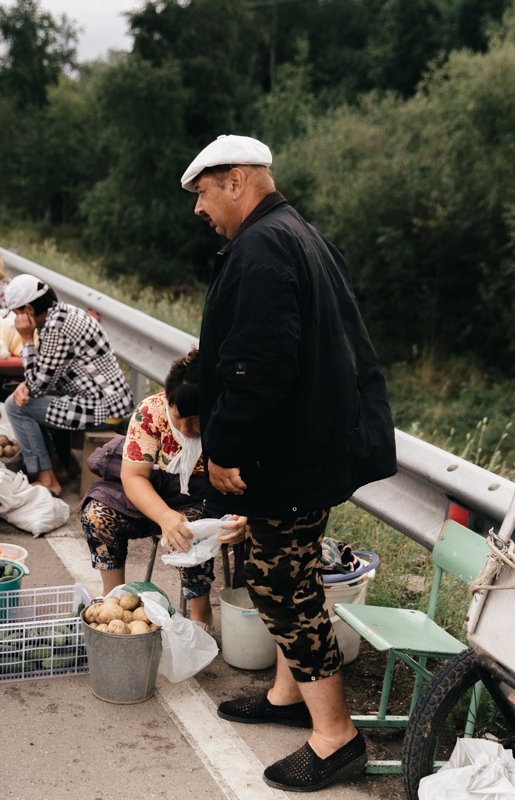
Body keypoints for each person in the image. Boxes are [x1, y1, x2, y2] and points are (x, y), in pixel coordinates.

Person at [180, 134, 396, 791]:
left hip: (291, 452)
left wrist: (222, 450)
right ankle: (286, 698)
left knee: (281, 585)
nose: (198, 208)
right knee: (288, 573)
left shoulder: (262, 247)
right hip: (315, 441)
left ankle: (335, 738)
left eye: (203, 192)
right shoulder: (297, 234)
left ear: (238, 180)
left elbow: (258, 366)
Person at [80, 349, 246, 627]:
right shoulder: (150, 413)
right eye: (178, 416)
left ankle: (200, 609)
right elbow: (134, 477)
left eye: (196, 419)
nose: (186, 427)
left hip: (202, 500)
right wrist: (164, 516)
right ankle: (113, 600)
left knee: (190, 530)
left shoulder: (231, 422)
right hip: (151, 494)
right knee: (97, 514)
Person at [3, 274, 134, 496]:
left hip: (103, 409)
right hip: (109, 401)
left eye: (17, 314)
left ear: (29, 309)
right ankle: (58, 468)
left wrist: (26, 340)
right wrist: (26, 385)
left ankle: (46, 478)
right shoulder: (62, 314)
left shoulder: (56, 328)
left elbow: (37, 386)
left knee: (16, 407)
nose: (17, 321)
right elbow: (45, 374)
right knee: (26, 399)